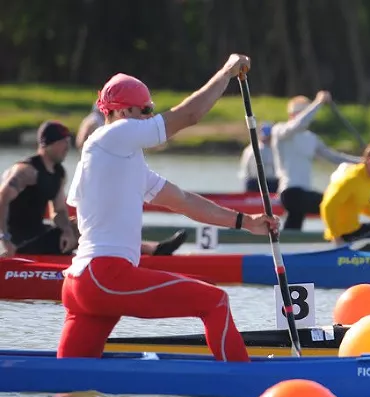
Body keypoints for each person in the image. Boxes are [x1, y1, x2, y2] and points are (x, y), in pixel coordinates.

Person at [57, 54, 279, 362]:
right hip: (105, 276)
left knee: (70, 379)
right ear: (122, 111)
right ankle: (244, 382)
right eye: (146, 110)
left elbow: (184, 201)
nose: (151, 117)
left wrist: (245, 222)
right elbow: (188, 116)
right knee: (215, 301)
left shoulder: (124, 160)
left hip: (83, 283)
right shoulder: (112, 134)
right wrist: (227, 73)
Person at [0, 121, 186, 258]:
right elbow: (2, 199)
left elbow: (59, 211)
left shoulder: (58, 173)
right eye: (63, 142)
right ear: (48, 144)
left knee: (83, 222)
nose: (67, 147)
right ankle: (151, 250)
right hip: (18, 242)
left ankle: (144, 250)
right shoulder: (25, 171)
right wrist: (5, 240)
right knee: (86, 226)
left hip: (38, 234)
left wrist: (66, 230)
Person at [271, 91, 363, 230]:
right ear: (291, 115)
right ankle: (342, 235)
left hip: (303, 194)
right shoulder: (280, 131)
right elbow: (298, 124)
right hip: (289, 193)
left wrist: (362, 162)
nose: (305, 119)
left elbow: (334, 157)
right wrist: (318, 102)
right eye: (300, 114)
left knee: (294, 224)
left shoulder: (311, 138)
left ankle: (289, 241)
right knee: (334, 203)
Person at [238, 121, 278, 193]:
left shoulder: (275, 148)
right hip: (254, 182)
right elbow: (245, 168)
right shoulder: (251, 149)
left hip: (271, 182)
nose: (267, 138)